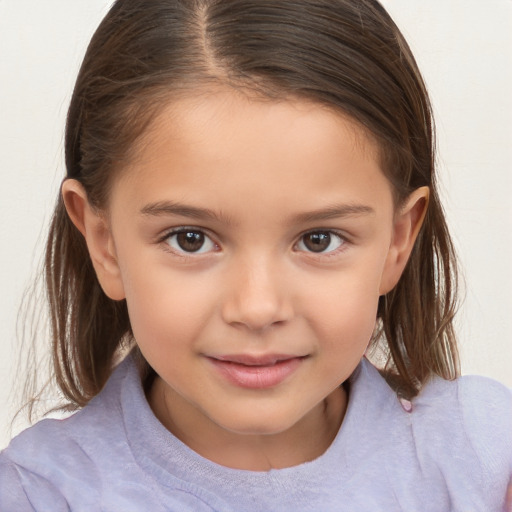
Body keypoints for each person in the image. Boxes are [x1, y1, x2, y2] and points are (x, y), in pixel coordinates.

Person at [1, 0, 511, 510]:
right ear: (103, 241)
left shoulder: (485, 461)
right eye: (190, 239)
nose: (257, 308)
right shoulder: (35, 495)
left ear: (398, 240)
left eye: (319, 239)